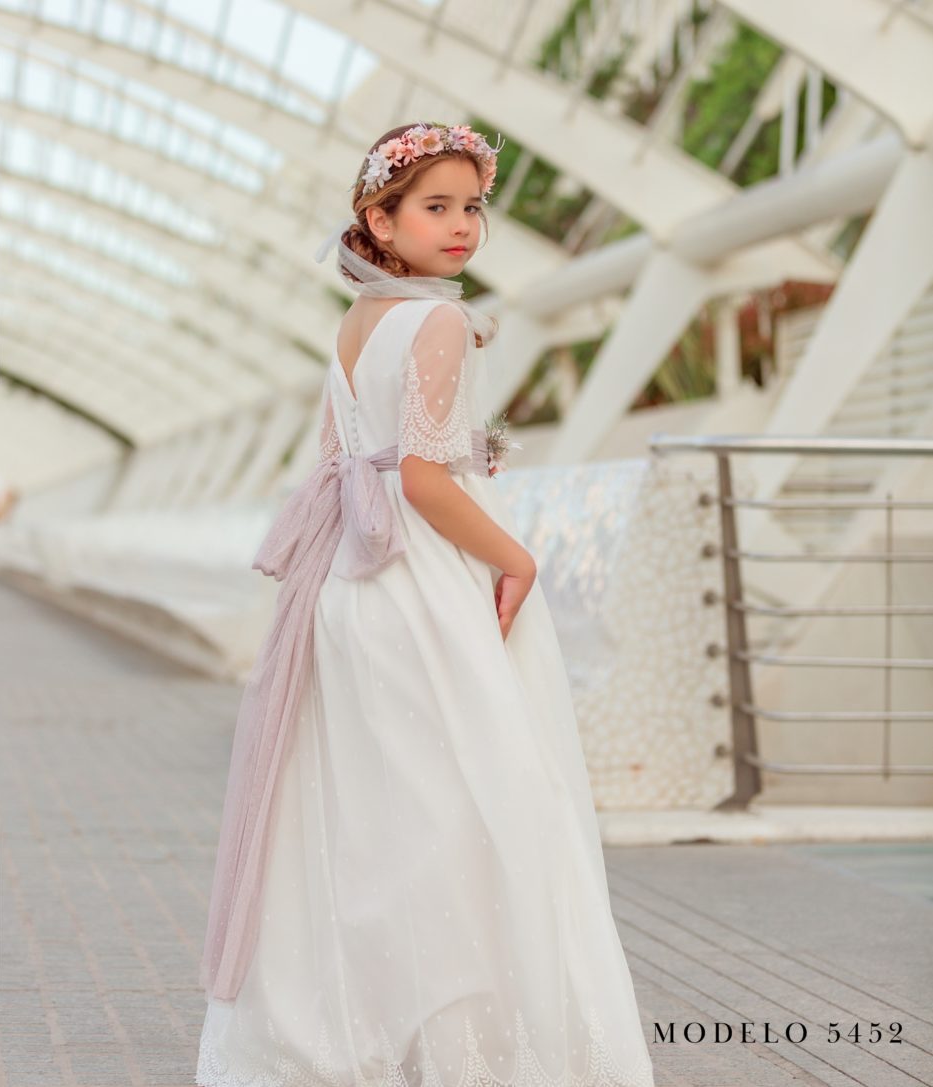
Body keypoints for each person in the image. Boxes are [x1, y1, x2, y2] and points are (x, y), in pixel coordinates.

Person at [195, 122, 655, 1087]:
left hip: (347, 595)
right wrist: (515, 554)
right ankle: (465, 1045)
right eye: (435, 207)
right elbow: (418, 479)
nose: (460, 227)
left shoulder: (356, 324)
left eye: (472, 207)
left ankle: (367, 1027)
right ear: (380, 218)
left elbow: (338, 462)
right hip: (418, 585)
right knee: (480, 809)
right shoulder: (437, 321)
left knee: (372, 819)